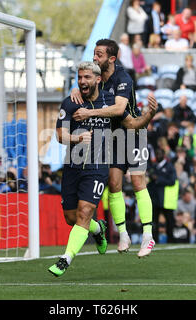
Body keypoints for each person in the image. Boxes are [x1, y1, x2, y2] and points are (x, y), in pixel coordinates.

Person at [48, 62, 157, 276]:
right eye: (80, 77)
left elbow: (133, 125)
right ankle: (98, 229)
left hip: (98, 168)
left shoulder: (110, 102)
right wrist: (77, 138)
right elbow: (60, 135)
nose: (82, 81)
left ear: (98, 79)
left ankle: (65, 259)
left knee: (85, 211)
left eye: (87, 77)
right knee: (72, 217)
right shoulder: (70, 103)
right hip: (72, 167)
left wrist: (150, 115)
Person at [69, 47, 160, 260]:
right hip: (113, 135)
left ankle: (148, 235)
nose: (94, 57)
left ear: (111, 58)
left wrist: (89, 112)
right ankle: (124, 234)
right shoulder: (98, 77)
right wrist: (76, 90)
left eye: (99, 54)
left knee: (138, 182)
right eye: (94, 53)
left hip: (134, 131)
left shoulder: (123, 78)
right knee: (114, 182)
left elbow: (119, 110)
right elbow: (85, 85)